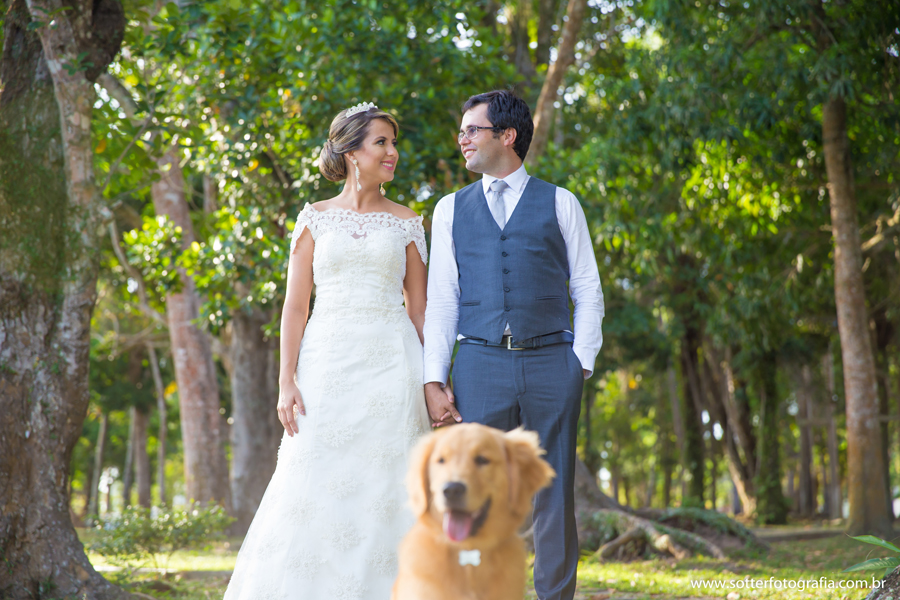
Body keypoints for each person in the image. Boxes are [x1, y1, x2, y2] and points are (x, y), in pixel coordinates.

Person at [224, 102, 431, 600]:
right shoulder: (313, 219)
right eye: (381, 142)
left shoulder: (407, 222)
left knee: (388, 483)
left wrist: (435, 379)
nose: (392, 153)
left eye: (393, 143)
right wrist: (286, 380)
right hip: (326, 366)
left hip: (392, 366)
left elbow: (421, 310)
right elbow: (295, 308)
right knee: (313, 477)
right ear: (351, 151)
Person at [422, 90, 605, 600]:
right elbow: (443, 299)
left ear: (507, 135)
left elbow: (588, 289)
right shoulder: (449, 210)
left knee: (552, 495)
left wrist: (580, 362)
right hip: (478, 362)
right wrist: (434, 378)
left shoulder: (561, 202)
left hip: (552, 361)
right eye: (461, 131)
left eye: (471, 130)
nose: (462, 140)